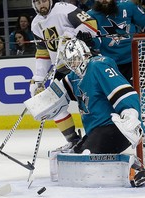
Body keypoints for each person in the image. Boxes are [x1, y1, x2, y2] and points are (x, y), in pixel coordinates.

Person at [47, 38, 145, 186]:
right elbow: (55, 98)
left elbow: (124, 91)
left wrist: (130, 114)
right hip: (96, 132)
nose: (74, 64)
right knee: (76, 156)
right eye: (70, 62)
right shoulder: (74, 77)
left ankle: (134, 169)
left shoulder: (98, 65)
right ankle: (78, 143)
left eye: (75, 59)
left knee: (88, 157)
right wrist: (42, 98)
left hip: (115, 128)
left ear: (84, 54)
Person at [29, 0, 99, 150]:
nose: (42, 5)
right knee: (51, 103)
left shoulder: (64, 9)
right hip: (61, 68)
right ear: (33, 4)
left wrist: (73, 35)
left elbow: (91, 24)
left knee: (89, 103)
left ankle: (96, 138)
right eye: (38, 2)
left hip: (81, 63)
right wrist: (39, 79)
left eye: (44, 1)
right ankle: (74, 140)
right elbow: (43, 53)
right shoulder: (36, 24)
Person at [86, 0, 145, 84]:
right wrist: (88, 41)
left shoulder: (128, 6)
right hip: (110, 64)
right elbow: (95, 44)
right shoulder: (90, 15)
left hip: (135, 59)